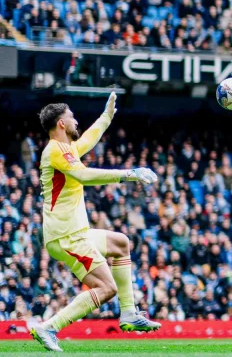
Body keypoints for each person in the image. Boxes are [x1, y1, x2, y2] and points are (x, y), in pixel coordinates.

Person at [30, 93, 161, 352]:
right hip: (66, 236)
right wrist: (129, 175)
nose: (77, 121)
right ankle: (49, 327)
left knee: (121, 243)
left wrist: (107, 116)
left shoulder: (64, 149)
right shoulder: (55, 150)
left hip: (75, 232)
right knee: (106, 287)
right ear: (61, 124)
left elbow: (88, 140)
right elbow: (83, 175)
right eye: (72, 117)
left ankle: (128, 314)